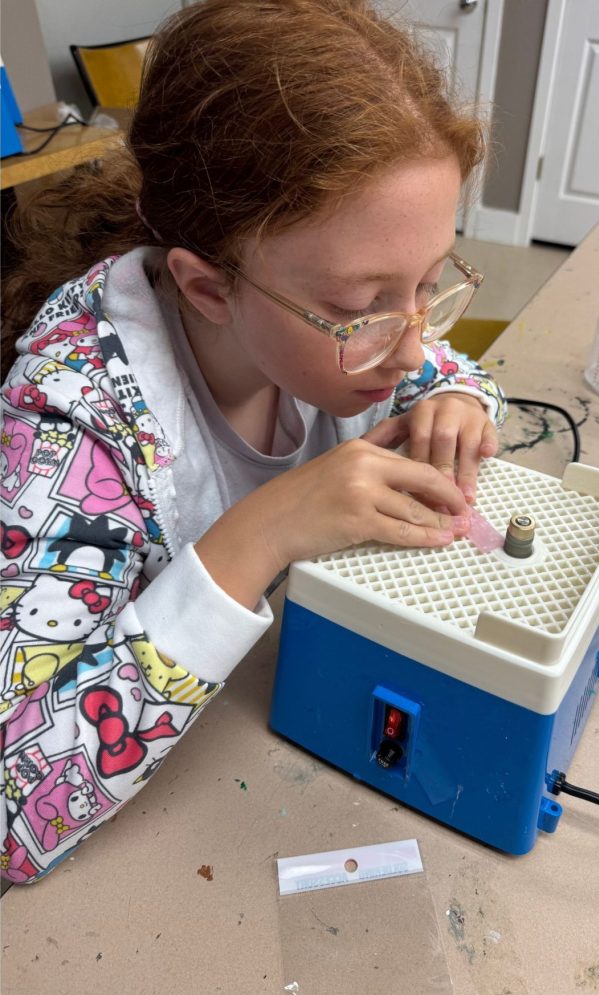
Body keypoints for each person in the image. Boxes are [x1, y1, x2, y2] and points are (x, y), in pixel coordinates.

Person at [0, 0, 506, 884]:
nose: (414, 344)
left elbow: (449, 368)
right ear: (204, 288)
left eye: (431, 282)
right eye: (363, 308)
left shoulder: (353, 329)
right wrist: (265, 530)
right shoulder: (75, 427)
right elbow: (12, 810)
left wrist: (461, 401)